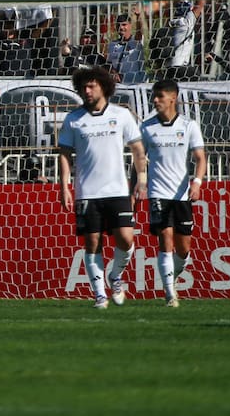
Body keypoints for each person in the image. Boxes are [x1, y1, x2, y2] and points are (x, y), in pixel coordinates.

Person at [58, 66, 147, 309]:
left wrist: (141, 178)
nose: (86, 91)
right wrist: (65, 186)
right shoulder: (73, 119)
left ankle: (115, 276)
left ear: (104, 87)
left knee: (126, 239)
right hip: (88, 191)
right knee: (92, 242)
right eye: (83, 87)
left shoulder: (121, 115)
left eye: (91, 86)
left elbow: (138, 149)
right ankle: (99, 294)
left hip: (118, 190)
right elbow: (64, 153)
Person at [139, 79, 206, 307]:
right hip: (158, 193)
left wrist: (196, 183)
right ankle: (170, 294)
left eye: (159, 97)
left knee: (183, 249)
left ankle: (172, 278)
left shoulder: (189, 126)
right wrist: (137, 185)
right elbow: (139, 160)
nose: (155, 101)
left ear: (172, 98)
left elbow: (200, 158)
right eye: (154, 97)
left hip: (182, 195)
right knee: (164, 238)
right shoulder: (147, 128)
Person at [106, 8, 146, 84]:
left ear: (130, 25)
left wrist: (138, 17)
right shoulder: (113, 44)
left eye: (124, 25)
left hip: (136, 84)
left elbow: (139, 32)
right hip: (119, 84)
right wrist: (114, 73)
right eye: (118, 25)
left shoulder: (136, 41)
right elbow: (109, 63)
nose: (121, 28)